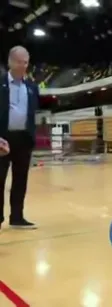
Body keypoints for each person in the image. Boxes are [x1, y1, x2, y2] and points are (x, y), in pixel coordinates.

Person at [0, 46, 38, 230]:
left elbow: (31, 114)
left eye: (25, 62)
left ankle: (17, 217)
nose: (23, 66)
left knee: (20, 180)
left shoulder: (31, 87)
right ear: (10, 62)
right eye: (19, 62)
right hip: (2, 140)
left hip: (23, 139)